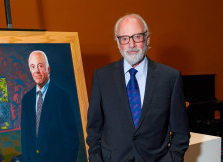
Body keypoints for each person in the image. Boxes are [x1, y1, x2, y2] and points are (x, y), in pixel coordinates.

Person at [86, 14, 190, 162]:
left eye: (137, 37)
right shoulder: (101, 77)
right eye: (124, 38)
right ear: (118, 43)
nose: (131, 44)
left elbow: (181, 132)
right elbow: (93, 129)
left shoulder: (170, 78)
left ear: (147, 39)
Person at [21, 50, 79, 162]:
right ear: (30, 70)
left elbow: (72, 141)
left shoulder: (62, 97)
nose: (36, 70)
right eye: (33, 67)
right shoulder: (26, 99)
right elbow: (25, 138)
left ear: (48, 68)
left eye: (40, 65)